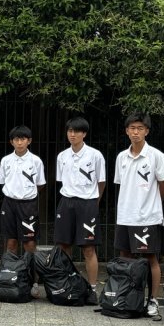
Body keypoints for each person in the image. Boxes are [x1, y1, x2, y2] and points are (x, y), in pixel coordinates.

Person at [113, 112, 164, 316]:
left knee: (150, 258)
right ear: (126, 131)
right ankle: (127, 297)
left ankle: (152, 300)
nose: (135, 132)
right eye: (132, 128)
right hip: (125, 215)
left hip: (147, 217)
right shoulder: (121, 157)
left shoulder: (156, 156)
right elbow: (121, 184)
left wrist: (151, 203)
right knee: (125, 257)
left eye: (140, 128)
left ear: (147, 131)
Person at [54, 116, 105, 302]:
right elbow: (61, 180)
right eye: (70, 131)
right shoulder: (62, 156)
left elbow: (101, 182)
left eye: (76, 131)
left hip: (87, 203)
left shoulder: (95, 155)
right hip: (66, 202)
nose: (72, 134)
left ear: (84, 133)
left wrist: (94, 202)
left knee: (88, 248)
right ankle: (67, 283)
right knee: (64, 245)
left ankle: (92, 289)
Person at [0, 126, 46, 254]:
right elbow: (2, 182)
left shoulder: (36, 161)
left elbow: (40, 184)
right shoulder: (5, 160)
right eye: (16, 139)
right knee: (11, 241)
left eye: (23, 139)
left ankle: (31, 267)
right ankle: (11, 267)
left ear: (29, 141)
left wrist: (26, 193)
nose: (19, 143)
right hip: (9, 204)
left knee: (29, 242)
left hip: (28, 205)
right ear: (11, 142)